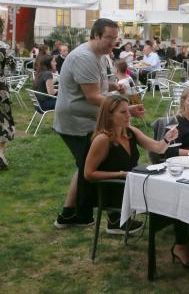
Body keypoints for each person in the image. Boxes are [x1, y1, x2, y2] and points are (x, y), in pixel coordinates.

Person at [83, 96, 189, 268]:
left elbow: (158, 148)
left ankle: (186, 241)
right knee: (176, 196)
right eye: (123, 112)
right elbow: (88, 174)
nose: (128, 115)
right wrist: (120, 175)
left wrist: (167, 139)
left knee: (179, 191)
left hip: (133, 183)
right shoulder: (103, 139)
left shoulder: (130, 132)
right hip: (115, 190)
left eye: (128, 110)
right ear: (109, 116)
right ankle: (182, 244)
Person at [53, 18, 145, 229]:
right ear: (95, 36)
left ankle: (70, 215)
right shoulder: (84, 57)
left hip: (89, 120)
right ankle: (111, 219)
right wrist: (124, 109)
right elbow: (94, 96)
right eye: (108, 38)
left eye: (115, 38)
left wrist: (113, 85)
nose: (113, 42)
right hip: (76, 122)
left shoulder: (100, 56)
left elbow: (98, 83)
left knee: (86, 164)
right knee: (99, 164)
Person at [0, 43, 15, 171]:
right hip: (1, 89)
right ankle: (0, 153)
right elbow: (13, 67)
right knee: (4, 120)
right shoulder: (5, 47)